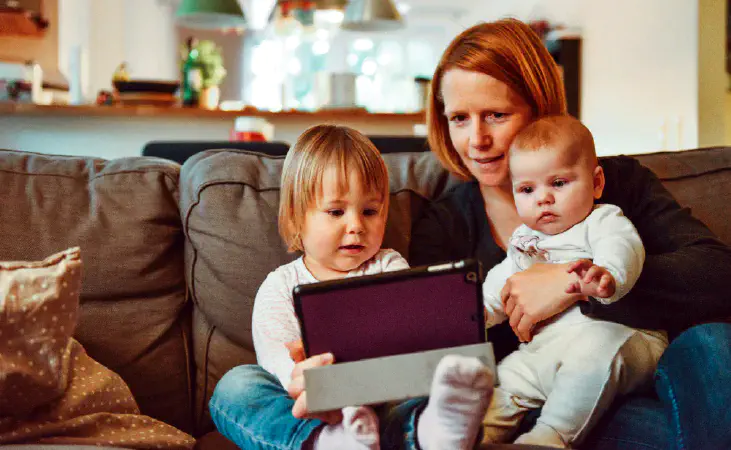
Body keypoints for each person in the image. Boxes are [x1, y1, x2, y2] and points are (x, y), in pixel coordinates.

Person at [410, 18, 731, 449]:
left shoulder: (615, 184)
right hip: (527, 401)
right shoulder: (443, 223)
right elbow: (436, 340)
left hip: (635, 384)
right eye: (459, 119)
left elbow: (717, 275)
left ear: (539, 108)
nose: (477, 139)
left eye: (496, 115)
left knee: (713, 342)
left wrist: (573, 281)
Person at [209, 124, 494, 450]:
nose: (357, 226)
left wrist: (452, 320)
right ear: (296, 217)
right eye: (336, 212)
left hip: (385, 401)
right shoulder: (279, 286)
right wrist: (304, 379)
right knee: (235, 387)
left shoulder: (389, 266)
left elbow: (413, 335)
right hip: (314, 410)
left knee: (432, 383)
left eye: (370, 211)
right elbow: (278, 364)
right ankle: (326, 442)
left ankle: (435, 432)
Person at [479, 115, 667, 447]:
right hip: (543, 353)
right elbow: (503, 281)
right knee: (507, 376)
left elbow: (623, 246)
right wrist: (478, 312)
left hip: (618, 340)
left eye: (559, 183)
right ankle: (475, 434)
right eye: (527, 189)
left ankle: (549, 437)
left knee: (592, 351)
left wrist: (608, 274)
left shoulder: (601, 219)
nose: (543, 198)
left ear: (596, 183)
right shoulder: (525, 239)